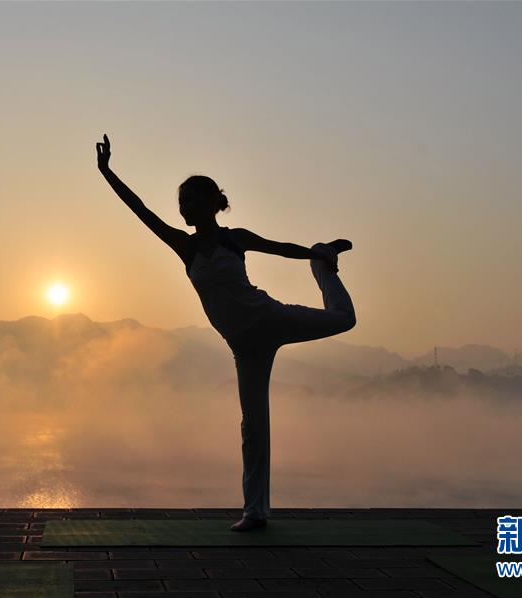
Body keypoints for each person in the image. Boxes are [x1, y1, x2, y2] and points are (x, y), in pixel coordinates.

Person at [96, 133, 357, 532]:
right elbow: (140, 210)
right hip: (243, 346)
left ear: (208, 202)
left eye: (189, 200)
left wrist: (315, 254)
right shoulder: (183, 246)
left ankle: (325, 266)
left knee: (344, 319)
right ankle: (255, 512)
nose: (182, 208)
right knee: (253, 426)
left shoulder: (235, 239)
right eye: (180, 202)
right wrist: (107, 171)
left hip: (270, 318)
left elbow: (281, 248)